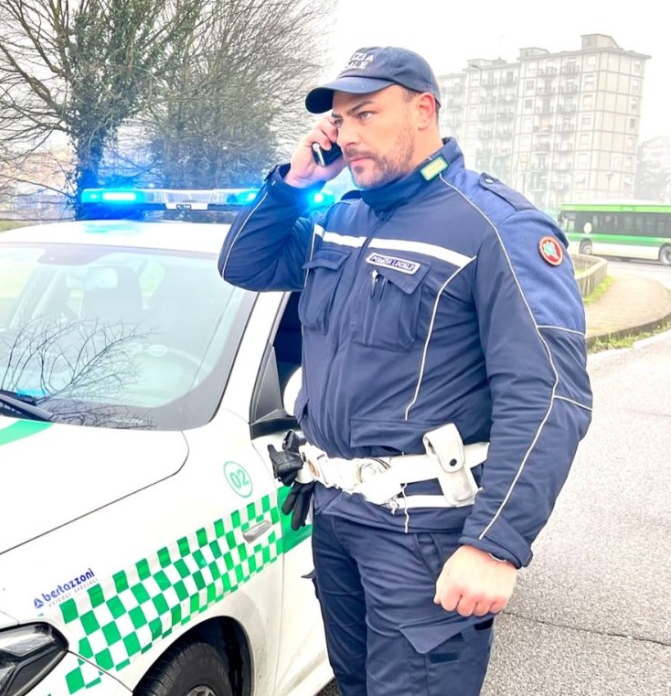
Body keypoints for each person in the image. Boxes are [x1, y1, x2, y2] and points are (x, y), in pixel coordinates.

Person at [218, 47, 591, 695]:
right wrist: (293, 186)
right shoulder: (341, 216)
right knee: (355, 684)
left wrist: (496, 542)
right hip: (337, 513)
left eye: (365, 113)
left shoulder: (496, 227)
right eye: (339, 120)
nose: (348, 134)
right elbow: (246, 265)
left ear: (424, 111)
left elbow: (549, 392)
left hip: (424, 534)